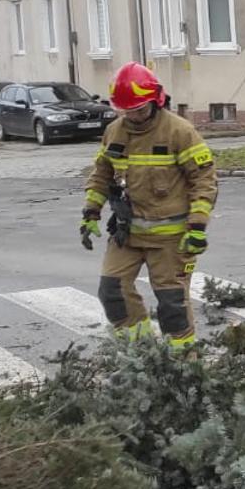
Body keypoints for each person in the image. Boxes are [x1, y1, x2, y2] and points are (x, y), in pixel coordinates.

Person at [81, 62, 217, 349]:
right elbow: (102, 173)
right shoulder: (114, 132)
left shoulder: (179, 131)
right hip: (126, 232)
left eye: (139, 110)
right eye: (127, 111)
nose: (133, 116)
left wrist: (197, 227)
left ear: (156, 100)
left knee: (172, 304)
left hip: (171, 238)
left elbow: (204, 180)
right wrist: (90, 212)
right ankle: (142, 352)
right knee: (112, 292)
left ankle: (183, 362)